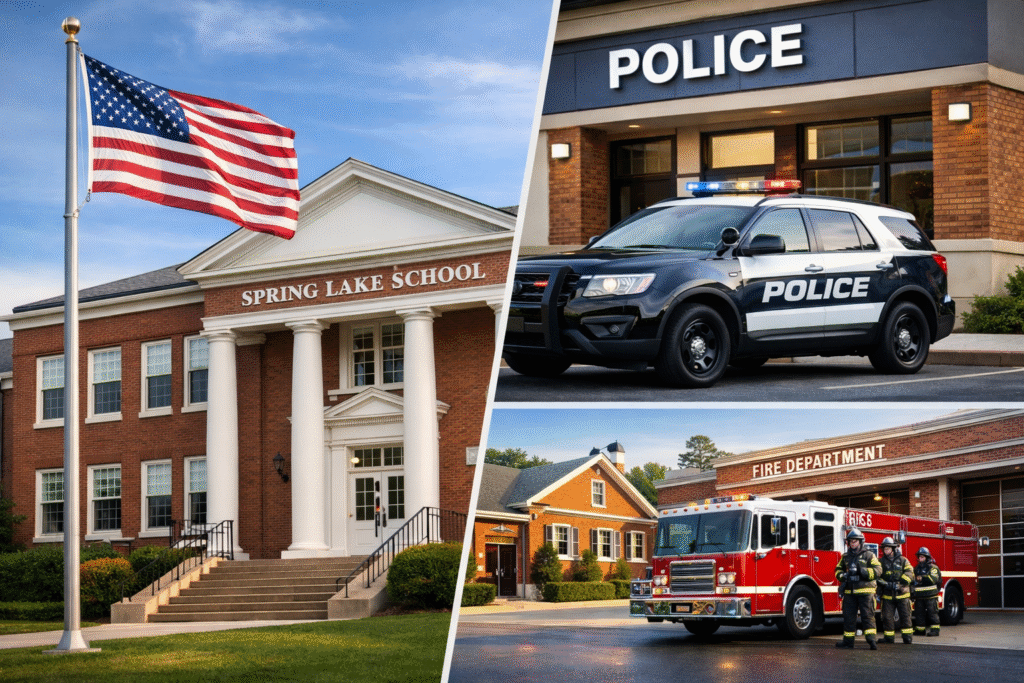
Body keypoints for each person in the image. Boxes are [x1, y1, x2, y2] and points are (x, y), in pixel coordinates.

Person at [835, 528, 882, 649]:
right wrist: (843, 575)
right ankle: (848, 642)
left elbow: (878, 570)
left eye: (855, 541)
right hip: (850, 592)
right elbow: (837, 570)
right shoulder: (845, 557)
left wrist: (862, 571)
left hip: (866, 592)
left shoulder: (869, 555)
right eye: (851, 541)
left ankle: (872, 641)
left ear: (860, 542)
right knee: (849, 617)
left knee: (868, 616)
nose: (852, 543)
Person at [877, 537, 914, 644]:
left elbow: (910, 573)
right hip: (888, 595)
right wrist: (885, 585)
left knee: (905, 616)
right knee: (887, 618)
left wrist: (901, 582)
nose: (885, 551)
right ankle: (889, 638)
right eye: (884, 549)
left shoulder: (903, 560)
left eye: (888, 548)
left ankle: (907, 638)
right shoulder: (881, 562)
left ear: (893, 549)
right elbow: (877, 576)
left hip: (902, 595)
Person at [913, 546, 942, 637]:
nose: (920, 559)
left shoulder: (933, 568)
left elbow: (932, 579)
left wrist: (921, 578)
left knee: (932, 613)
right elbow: (913, 580)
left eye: (922, 557)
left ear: (927, 558)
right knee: (919, 614)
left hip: (931, 595)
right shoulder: (916, 568)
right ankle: (920, 630)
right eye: (919, 557)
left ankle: (935, 630)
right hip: (919, 596)